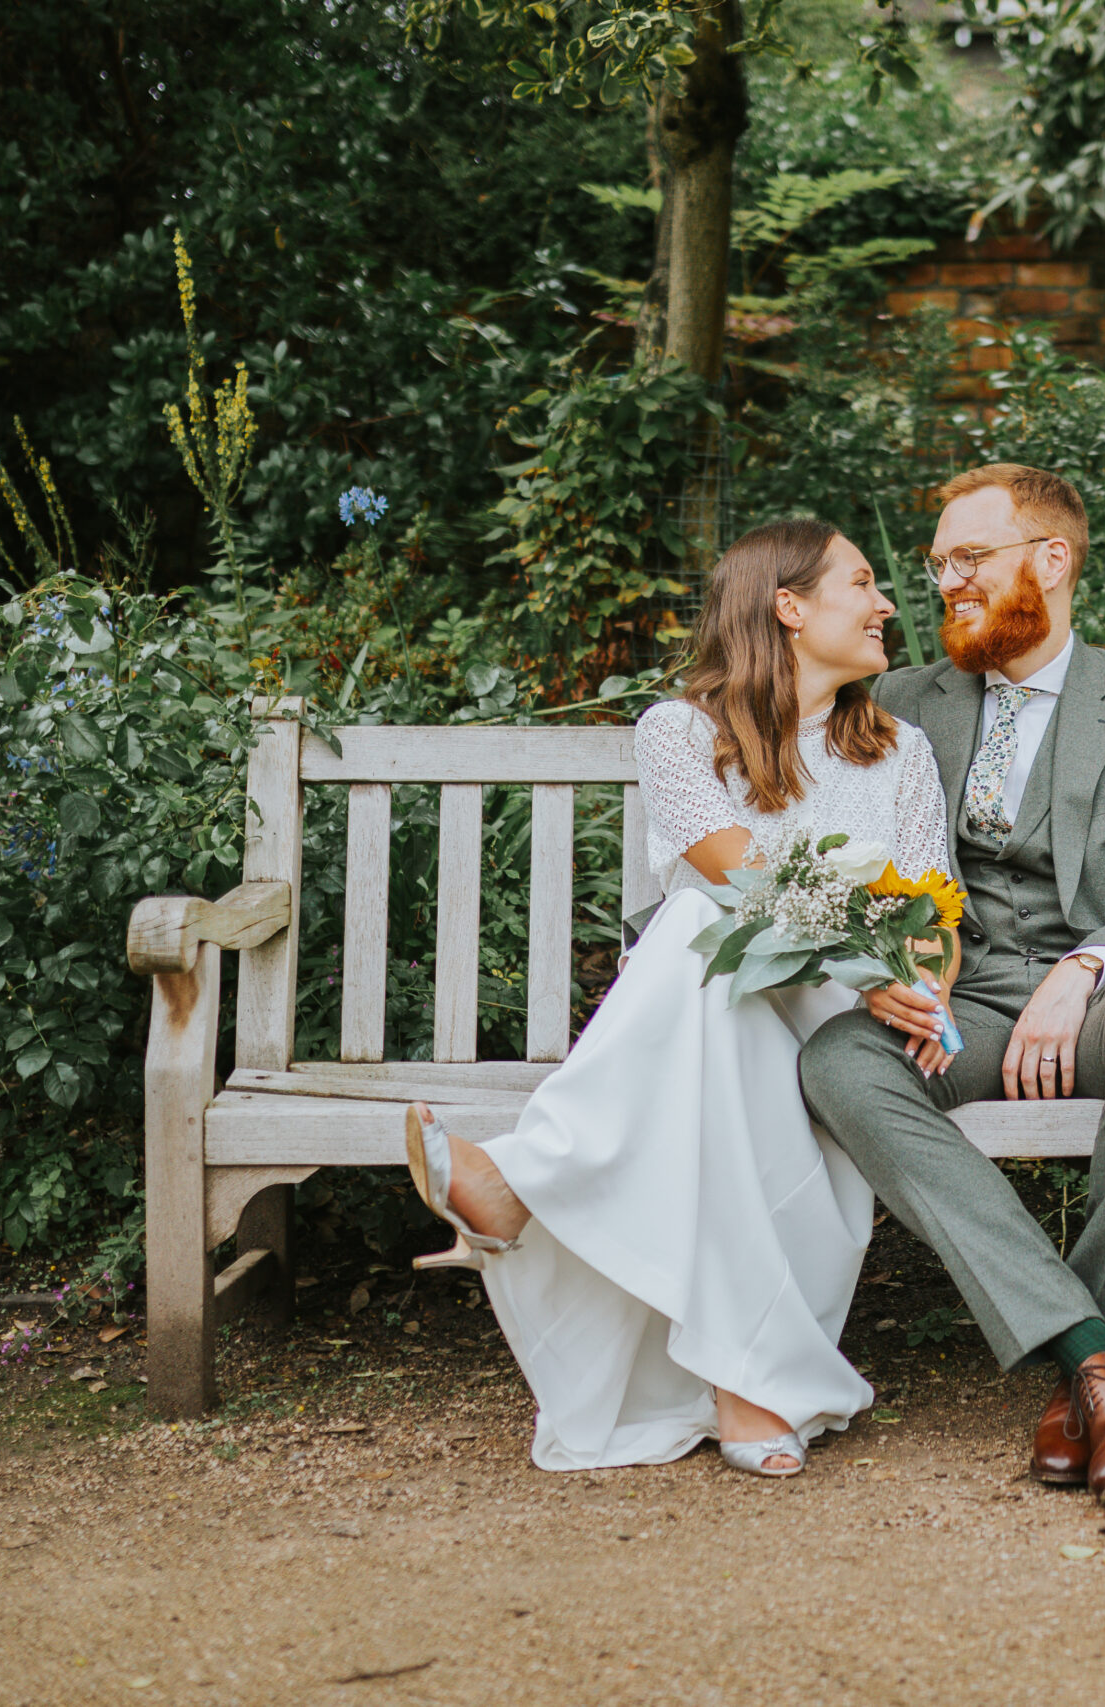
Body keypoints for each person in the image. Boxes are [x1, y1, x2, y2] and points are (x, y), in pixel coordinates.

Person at [400, 518, 951, 1477]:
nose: (886, 604)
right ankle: (746, 1387)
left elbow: (932, 908)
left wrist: (917, 986)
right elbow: (730, 872)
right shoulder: (680, 733)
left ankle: (522, 1178)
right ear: (789, 606)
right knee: (702, 932)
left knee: (697, 944)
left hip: (841, 1022)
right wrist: (871, 947)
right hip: (726, 1014)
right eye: (861, 583)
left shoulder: (901, 751)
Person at [799, 463, 1105, 1506]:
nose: (944, 584)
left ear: (1050, 561)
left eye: (968, 558)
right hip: (963, 1007)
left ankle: (1085, 1371)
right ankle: (1103, 1359)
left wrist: (1082, 965)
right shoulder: (903, 700)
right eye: (936, 566)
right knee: (839, 1057)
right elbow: (812, 813)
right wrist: (892, 970)